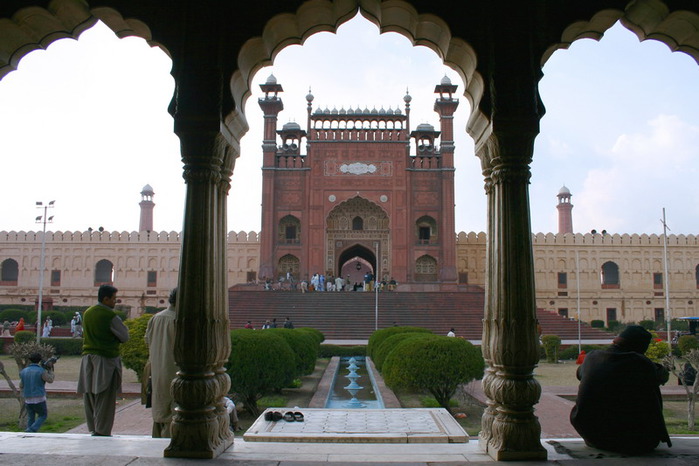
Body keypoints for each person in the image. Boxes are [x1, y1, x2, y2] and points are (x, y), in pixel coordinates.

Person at [570, 325, 671, 455]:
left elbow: (580, 374)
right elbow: (662, 377)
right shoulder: (640, 363)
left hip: (590, 433)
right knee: (649, 385)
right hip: (632, 439)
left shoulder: (592, 357)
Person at [77, 284, 130, 436]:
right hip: (105, 359)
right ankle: (102, 430)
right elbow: (125, 337)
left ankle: (93, 428)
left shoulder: (88, 312)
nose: (115, 302)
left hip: (87, 358)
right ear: (106, 299)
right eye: (113, 299)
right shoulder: (109, 316)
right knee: (105, 396)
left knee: (90, 394)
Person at [144, 288, 178, 438]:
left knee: (160, 411)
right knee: (173, 414)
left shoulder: (156, 318)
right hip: (175, 371)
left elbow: (147, 340)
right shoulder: (179, 320)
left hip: (157, 370)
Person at [19, 352, 55, 432]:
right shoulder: (41, 371)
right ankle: (31, 429)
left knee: (31, 416)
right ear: (39, 360)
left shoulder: (23, 371)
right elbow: (50, 380)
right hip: (39, 397)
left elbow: (21, 385)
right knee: (43, 415)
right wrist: (50, 370)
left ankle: (29, 431)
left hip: (27, 397)